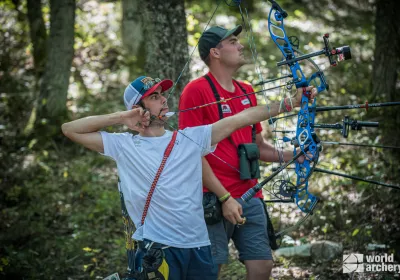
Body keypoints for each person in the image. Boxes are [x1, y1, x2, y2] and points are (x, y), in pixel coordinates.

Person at [62, 75, 316, 280]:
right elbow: (69, 129)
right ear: (138, 109)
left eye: (163, 94)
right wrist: (121, 118)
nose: (164, 100)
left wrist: (290, 103)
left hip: (199, 246)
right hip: (159, 249)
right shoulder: (124, 145)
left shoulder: (189, 138)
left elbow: (242, 118)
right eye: (154, 97)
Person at [178, 25, 302, 279]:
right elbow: (190, 152)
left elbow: (258, 147)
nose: (240, 45)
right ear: (215, 52)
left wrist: (295, 155)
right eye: (233, 41)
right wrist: (224, 198)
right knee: (210, 269)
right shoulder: (196, 91)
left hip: (249, 194)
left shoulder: (246, 90)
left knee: (262, 266)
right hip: (210, 197)